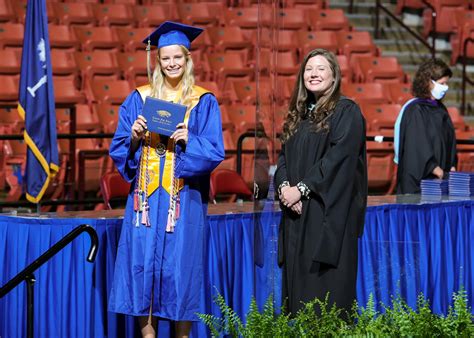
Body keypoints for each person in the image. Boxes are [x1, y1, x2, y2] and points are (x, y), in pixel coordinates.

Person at [107, 21, 225, 338]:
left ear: (188, 60)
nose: (172, 64)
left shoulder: (203, 101)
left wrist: (191, 139)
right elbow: (118, 149)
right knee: (143, 268)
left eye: (178, 58)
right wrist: (133, 137)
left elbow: (215, 151)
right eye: (165, 58)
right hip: (145, 201)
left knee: (180, 272)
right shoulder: (139, 99)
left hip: (182, 202)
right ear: (157, 61)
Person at [274, 48, 368, 316]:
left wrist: (301, 190)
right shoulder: (300, 114)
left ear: (334, 75)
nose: (313, 74)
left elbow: (339, 159)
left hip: (327, 216)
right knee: (300, 301)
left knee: (325, 301)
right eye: (308, 69)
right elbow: (283, 158)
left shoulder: (346, 111)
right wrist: (284, 190)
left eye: (320, 69)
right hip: (296, 215)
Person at [394, 58, 457, 194]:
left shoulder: (441, 109)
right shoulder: (415, 110)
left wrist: (451, 166)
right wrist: (436, 170)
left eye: (447, 83)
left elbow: (450, 140)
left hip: (440, 182)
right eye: (442, 83)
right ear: (429, 82)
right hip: (421, 183)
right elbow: (418, 147)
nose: (446, 87)